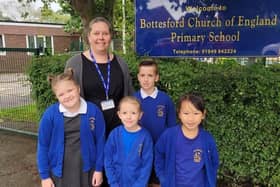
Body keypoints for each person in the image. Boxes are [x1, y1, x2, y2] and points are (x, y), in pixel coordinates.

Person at [65, 16, 134, 138]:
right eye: (96, 33)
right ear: (88, 36)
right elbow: (66, 98)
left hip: (118, 130)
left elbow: (129, 94)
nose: (101, 37)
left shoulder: (121, 63)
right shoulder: (74, 64)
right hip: (89, 130)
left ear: (110, 37)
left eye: (105, 33)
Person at [37, 68, 105, 187]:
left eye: (70, 90)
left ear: (78, 89)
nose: (67, 96)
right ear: (56, 97)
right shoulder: (50, 115)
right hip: (60, 172)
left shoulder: (93, 111)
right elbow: (43, 145)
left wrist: (99, 169)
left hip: (87, 170)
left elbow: (100, 142)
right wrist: (45, 176)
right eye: (61, 94)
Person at [154, 93, 219, 187]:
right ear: (179, 114)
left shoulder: (207, 139)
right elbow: (159, 154)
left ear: (203, 114)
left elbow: (214, 162)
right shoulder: (169, 135)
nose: (191, 118)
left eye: (196, 113)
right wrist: (163, 177)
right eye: (186, 113)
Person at [133, 59, 177, 186]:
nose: (146, 79)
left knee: (158, 180)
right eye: (142, 75)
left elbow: (172, 127)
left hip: (160, 149)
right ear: (138, 77)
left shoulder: (165, 99)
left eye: (150, 75)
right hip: (139, 150)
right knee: (141, 179)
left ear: (156, 77)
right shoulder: (133, 99)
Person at [104, 96, 153, 187]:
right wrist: (113, 182)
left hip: (137, 183)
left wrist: (139, 185)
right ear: (119, 114)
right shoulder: (114, 134)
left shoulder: (145, 137)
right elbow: (108, 159)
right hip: (116, 183)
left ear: (140, 115)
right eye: (124, 113)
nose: (129, 117)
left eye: (133, 113)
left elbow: (146, 165)